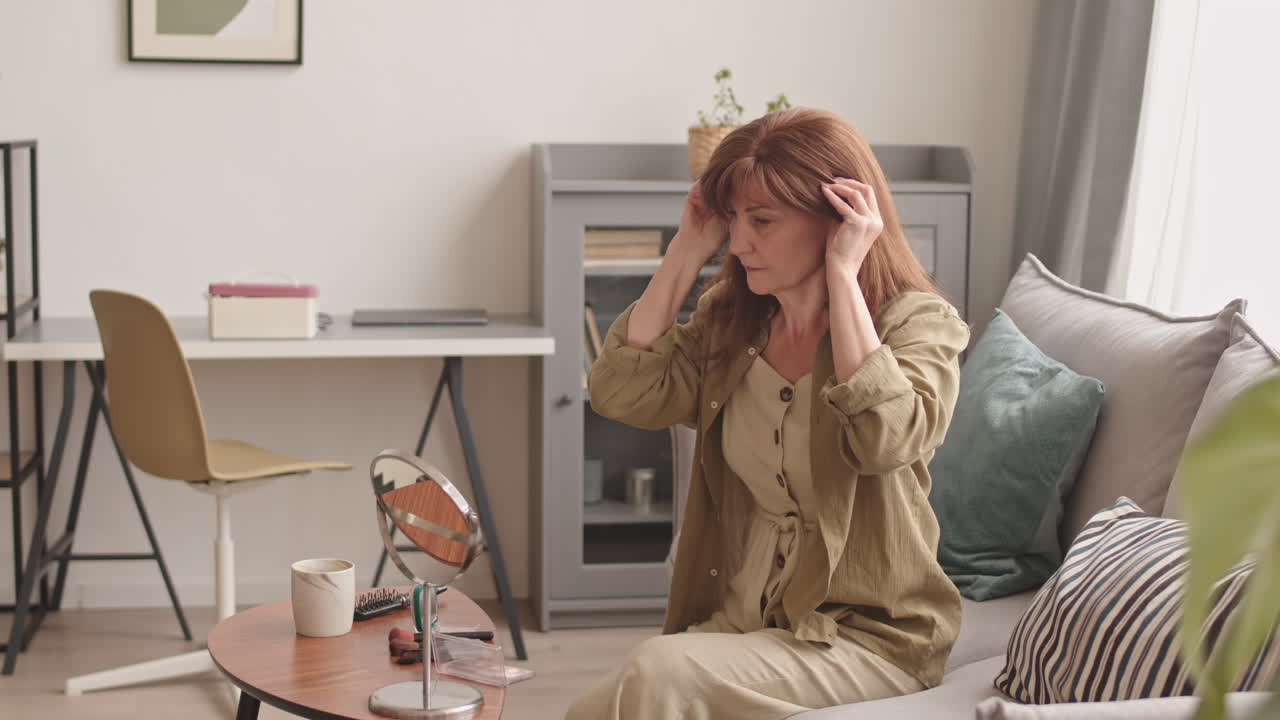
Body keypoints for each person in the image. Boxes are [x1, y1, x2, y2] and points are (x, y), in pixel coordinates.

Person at [566, 107, 970, 719]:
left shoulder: (916, 324)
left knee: (656, 671)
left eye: (761, 220)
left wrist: (843, 273)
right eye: (732, 220)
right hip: (746, 619)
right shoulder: (735, 322)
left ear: (838, 220)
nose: (739, 241)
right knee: (588, 711)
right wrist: (685, 248)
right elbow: (620, 390)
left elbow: (885, 441)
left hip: (864, 636)